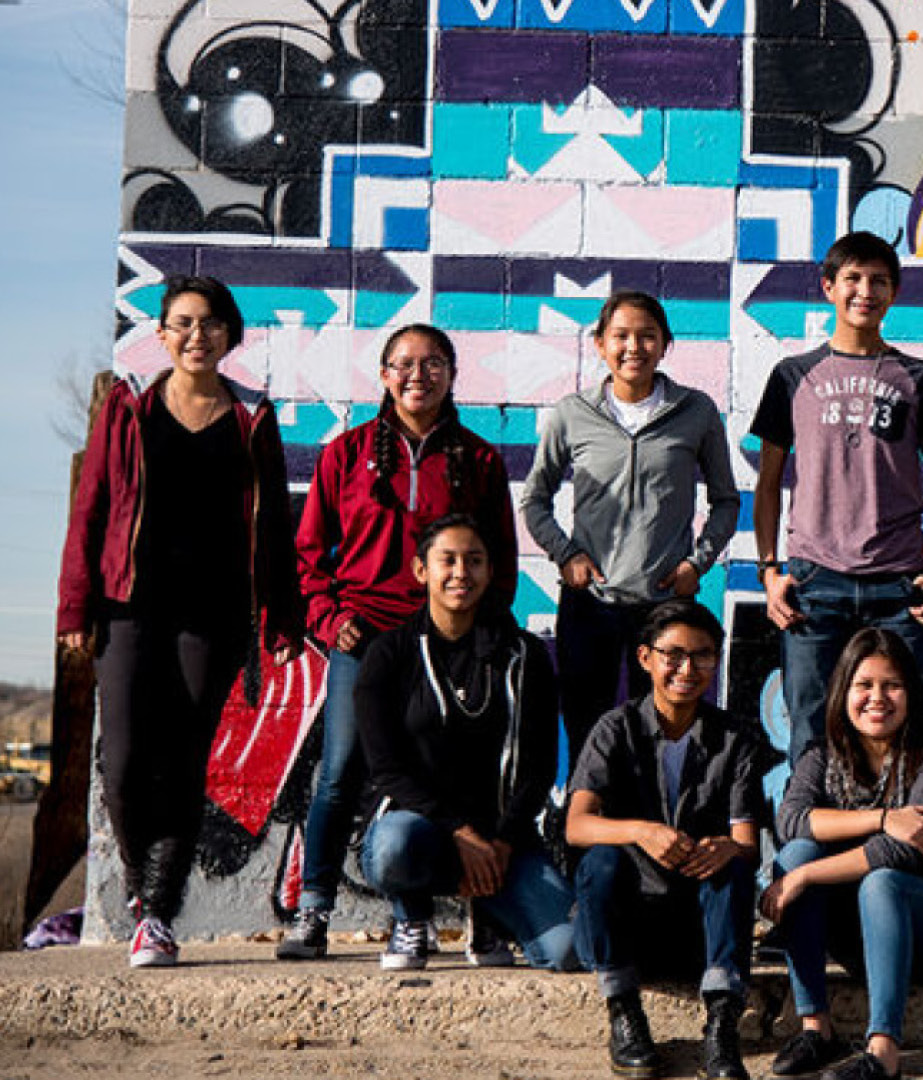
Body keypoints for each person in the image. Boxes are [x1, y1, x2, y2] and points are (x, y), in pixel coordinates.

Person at [56, 275, 302, 967]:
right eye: (184, 323)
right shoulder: (128, 408)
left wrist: (282, 618)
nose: (199, 335)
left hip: (215, 611)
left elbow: (275, 527)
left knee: (186, 760)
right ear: (161, 335)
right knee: (127, 758)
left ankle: (158, 912)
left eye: (212, 323)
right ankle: (141, 884)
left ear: (230, 335)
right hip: (129, 604)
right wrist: (75, 605)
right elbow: (92, 510)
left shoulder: (253, 416)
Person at [279, 324, 518, 962]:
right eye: (404, 363)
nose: (419, 374)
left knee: (464, 775)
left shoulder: (480, 459)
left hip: (447, 642)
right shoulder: (344, 454)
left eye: (434, 362)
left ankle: (478, 917)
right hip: (365, 637)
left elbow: (501, 560)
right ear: (384, 375)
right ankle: (312, 912)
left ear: (452, 373)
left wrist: (483, 635)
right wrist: (330, 619)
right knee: (339, 773)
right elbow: (307, 556)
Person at [749, 231, 923, 764]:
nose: (865, 291)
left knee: (912, 729)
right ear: (828, 287)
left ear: (894, 293)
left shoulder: (919, 378)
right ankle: (807, 843)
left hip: (900, 581)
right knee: (811, 728)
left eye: (879, 281)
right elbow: (768, 482)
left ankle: (903, 846)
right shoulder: (792, 375)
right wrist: (769, 569)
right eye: (853, 279)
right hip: (815, 581)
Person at [760, 628, 923, 1080]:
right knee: (796, 853)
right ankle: (817, 1029)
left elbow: (900, 853)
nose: (877, 698)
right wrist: (884, 817)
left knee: (879, 879)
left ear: (911, 693)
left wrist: (807, 878)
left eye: (892, 686)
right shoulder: (821, 757)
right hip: (865, 943)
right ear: (842, 691)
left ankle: (884, 1053)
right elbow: (791, 822)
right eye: (863, 685)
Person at [522, 291, 740, 766]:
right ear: (600, 344)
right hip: (590, 604)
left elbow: (726, 501)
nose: (633, 347)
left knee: (661, 730)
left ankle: (653, 830)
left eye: (647, 336)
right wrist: (565, 555)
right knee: (587, 729)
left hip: (664, 606)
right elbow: (534, 500)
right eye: (620, 336)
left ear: (665, 345)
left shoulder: (696, 412)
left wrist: (695, 563)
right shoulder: (572, 413)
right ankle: (584, 834)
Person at [353, 514, 575, 972]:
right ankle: (410, 915)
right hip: (421, 833)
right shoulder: (389, 655)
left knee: (568, 950)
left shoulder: (524, 656)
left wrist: (499, 844)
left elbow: (538, 767)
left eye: (474, 561)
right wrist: (461, 833)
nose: (460, 573)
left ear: (490, 571)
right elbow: (387, 769)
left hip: (501, 843)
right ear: (421, 571)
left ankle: (487, 910)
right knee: (394, 845)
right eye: (447, 560)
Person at [567, 598, 776, 1080]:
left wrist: (729, 847)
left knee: (734, 867)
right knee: (601, 862)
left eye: (702, 656)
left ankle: (722, 1026)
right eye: (673, 655)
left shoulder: (733, 739)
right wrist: (641, 831)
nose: (687, 668)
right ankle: (624, 1012)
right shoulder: (615, 729)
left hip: (696, 932)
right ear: (645, 659)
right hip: (623, 927)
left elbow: (745, 840)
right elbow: (576, 825)